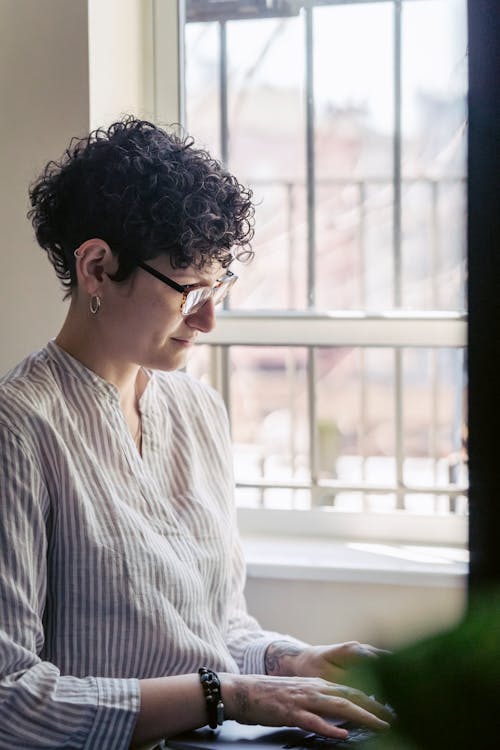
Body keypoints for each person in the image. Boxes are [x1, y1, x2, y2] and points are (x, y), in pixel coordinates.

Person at [0, 116, 393, 750]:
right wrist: (229, 695)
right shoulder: (19, 431)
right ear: (98, 268)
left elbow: (218, 625)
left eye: (219, 286)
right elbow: (10, 699)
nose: (209, 319)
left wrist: (290, 664)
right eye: (189, 290)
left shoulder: (199, 410)